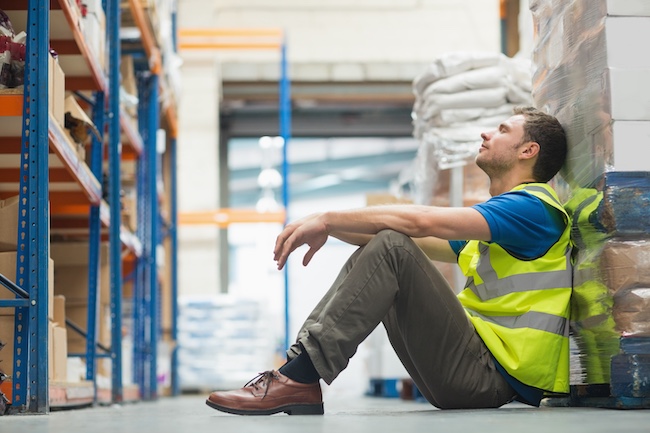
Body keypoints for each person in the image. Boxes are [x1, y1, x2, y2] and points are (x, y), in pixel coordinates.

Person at [206, 106, 572, 415]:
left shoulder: (533, 208)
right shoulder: (506, 220)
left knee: (393, 246)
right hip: (472, 372)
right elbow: (408, 239)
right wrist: (329, 228)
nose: (486, 134)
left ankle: (298, 377)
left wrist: (328, 217)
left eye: (502, 130)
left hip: (488, 377)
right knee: (387, 243)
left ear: (528, 151)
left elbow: (418, 223)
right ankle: (298, 375)